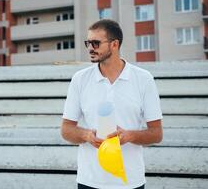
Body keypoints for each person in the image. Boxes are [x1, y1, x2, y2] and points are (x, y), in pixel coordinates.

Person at [61, 19, 163, 189]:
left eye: (96, 43)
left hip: (129, 182)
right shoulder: (80, 79)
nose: (90, 48)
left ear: (114, 44)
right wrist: (87, 135)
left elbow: (156, 133)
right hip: (89, 181)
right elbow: (66, 130)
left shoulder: (143, 79)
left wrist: (129, 136)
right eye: (88, 43)